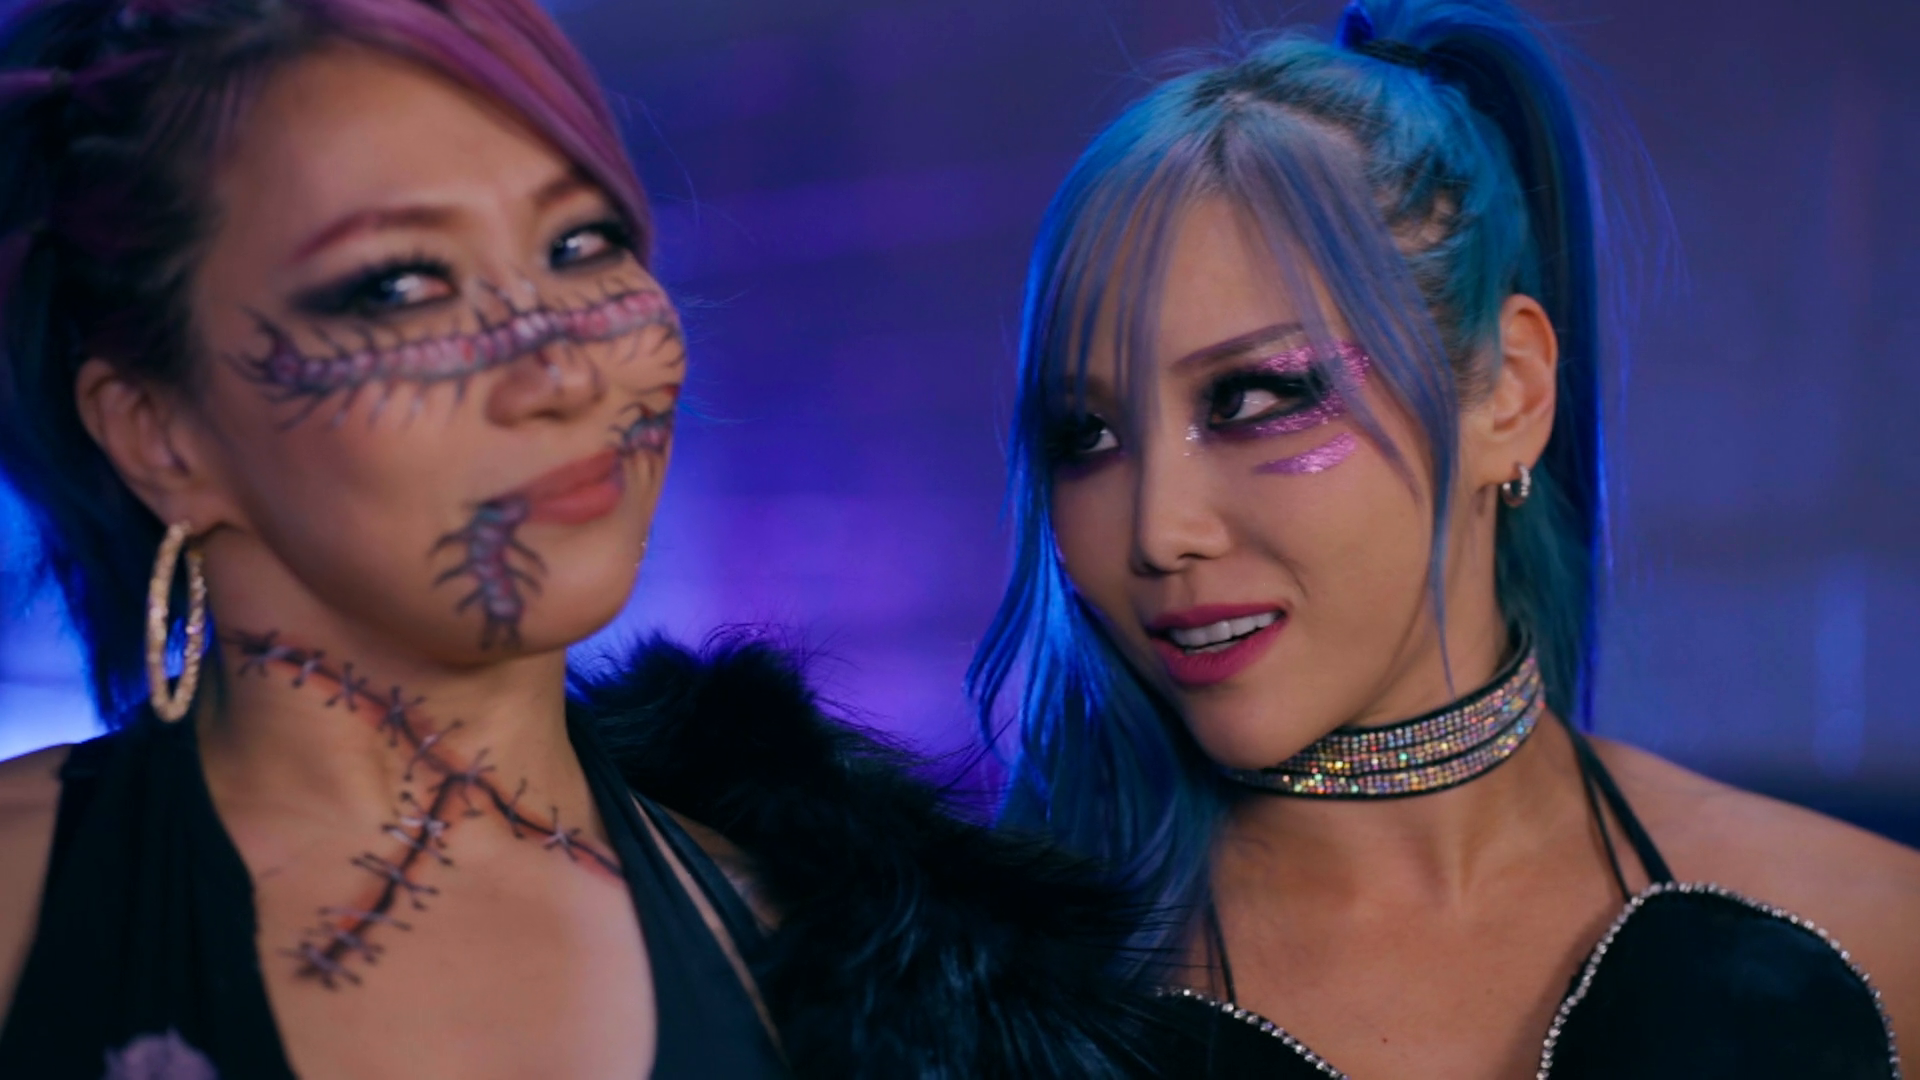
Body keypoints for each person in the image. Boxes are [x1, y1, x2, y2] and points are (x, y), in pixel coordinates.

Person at [0, 1, 1155, 1076]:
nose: (560, 366)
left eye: (581, 244)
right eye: (401, 286)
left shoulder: (850, 958)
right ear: (156, 430)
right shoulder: (23, 899)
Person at [970, 0, 1920, 1075]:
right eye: (1086, 435)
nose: (1158, 530)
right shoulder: (984, 1014)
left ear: (1509, 394)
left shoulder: (1883, 938)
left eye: (1254, 398)